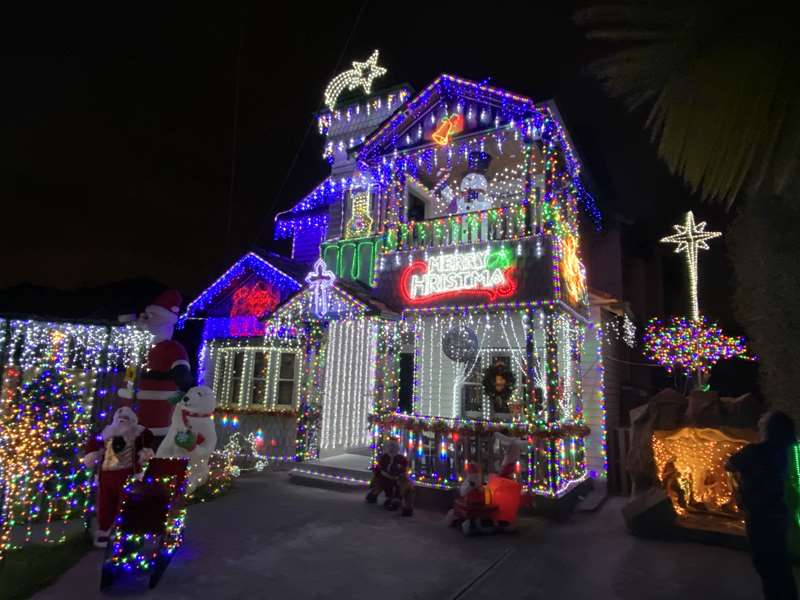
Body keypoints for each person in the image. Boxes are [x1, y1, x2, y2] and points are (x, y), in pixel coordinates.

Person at [726, 410, 798, 599]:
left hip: (759, 516)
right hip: (779, 514)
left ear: (768, 428)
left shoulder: (754, 451)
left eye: (762, 423)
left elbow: (729, 465)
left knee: (765, 563)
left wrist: (737, 492)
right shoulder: (784, 451)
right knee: (780, 563)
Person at [365, 437, 414, 517]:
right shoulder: (384, 457)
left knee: (406, 486)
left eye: (394, 447)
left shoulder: (401, 459)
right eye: (390, 446)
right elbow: (378, 470)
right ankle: (376, 495)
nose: (392, 449)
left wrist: (399, 472)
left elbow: (403, 471)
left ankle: (403, 505)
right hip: (385, 479)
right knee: (380, 483)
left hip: (397, 480)